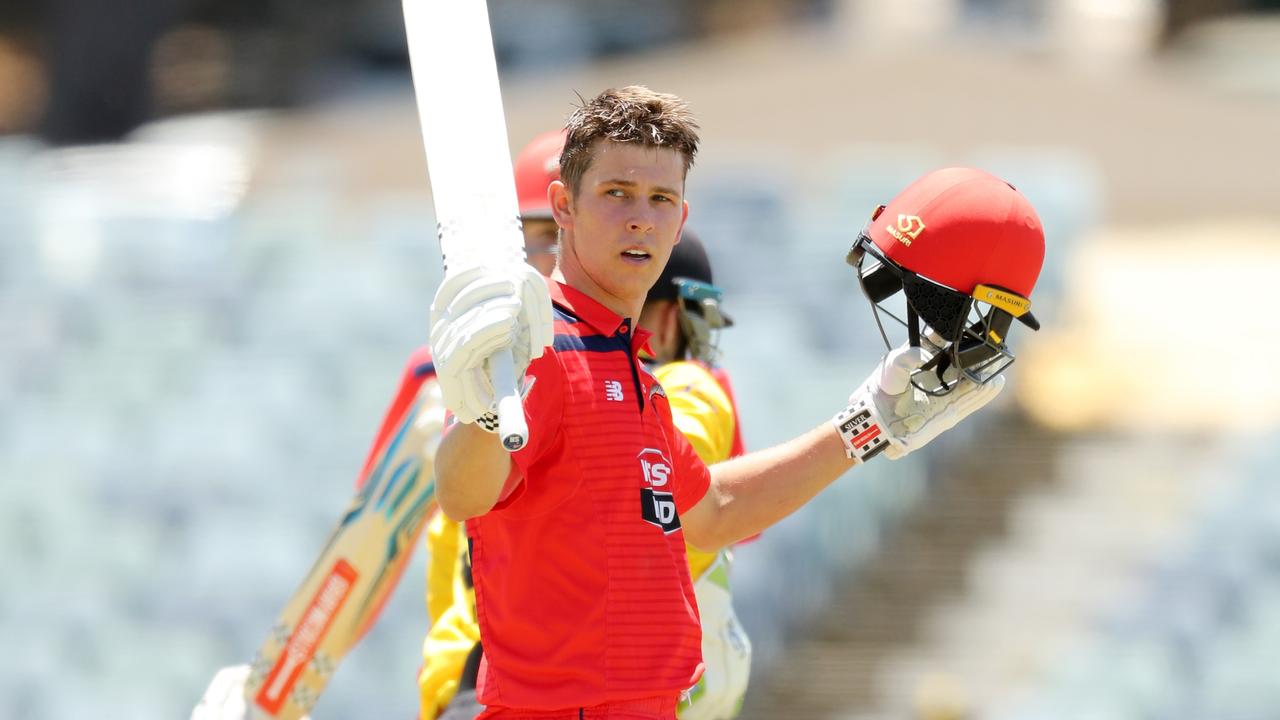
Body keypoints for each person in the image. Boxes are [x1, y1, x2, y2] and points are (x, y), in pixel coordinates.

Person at [429, 86, 1044, 719]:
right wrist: (480, 412)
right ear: (564, 204)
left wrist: (872, 423)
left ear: (681, 218)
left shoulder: (629, 365)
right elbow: (464, 494)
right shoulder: (536, 350)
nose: (641, 217)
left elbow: (713, 510)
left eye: (660, 199)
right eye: (617, 193)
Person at [190, 131, 564, 720]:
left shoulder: (657, 377)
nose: (554, 261)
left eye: (566, 240)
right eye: (537, 237)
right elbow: (370, 543)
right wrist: (272, 697)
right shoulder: (444, 379)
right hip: (484, 685)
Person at [423, 231, 753, 720]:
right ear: (667, 319)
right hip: (551, 691)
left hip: (472, 682)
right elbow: (688, 503)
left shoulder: (510, 416)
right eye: (694, 324)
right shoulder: (676, 389)